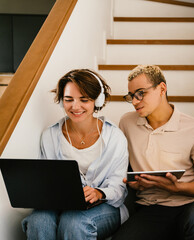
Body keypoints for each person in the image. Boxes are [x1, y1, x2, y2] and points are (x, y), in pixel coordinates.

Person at [112, 65, 194, 240]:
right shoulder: (127, 123)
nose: (135, 101)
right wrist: (133, 182)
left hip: (193, 203)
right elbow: (121, 165)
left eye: (141, 93)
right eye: (131, 96)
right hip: (151, 206)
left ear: (162, 89)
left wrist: (177, 187)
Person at [22, 69, 129, 240]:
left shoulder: (115, 137)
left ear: (97, 100)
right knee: (38, 220)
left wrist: (99, 193)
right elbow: (45, 181)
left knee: (74, 221)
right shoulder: (50, 136)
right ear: (61, 102)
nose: (75, 106)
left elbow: (119, 188)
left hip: (105, 207)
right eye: (68, 99)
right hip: (61, 205)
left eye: (84, 100)